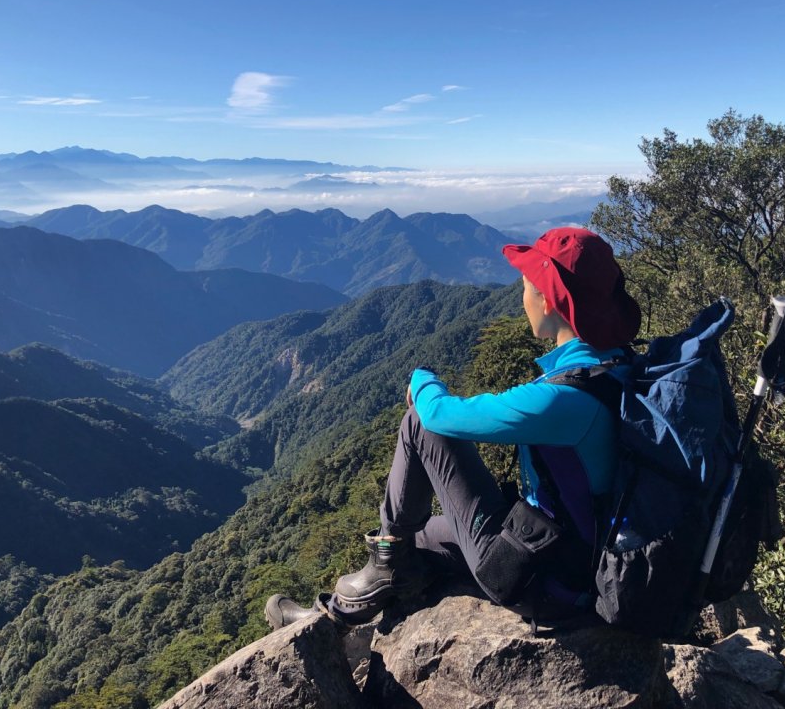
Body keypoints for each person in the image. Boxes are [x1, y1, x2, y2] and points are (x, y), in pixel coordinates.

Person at [265, 226, 642, 630]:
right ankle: (335, 618)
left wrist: (421, 379)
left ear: (549, 300)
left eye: (527, 287)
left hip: (550, 577)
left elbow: (441, 417)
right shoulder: (618, 367)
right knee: (424, 537)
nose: (522, 298)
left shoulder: (564, 401)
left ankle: (370, 582)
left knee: (419, 426)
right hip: (574, 551)